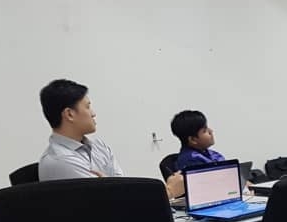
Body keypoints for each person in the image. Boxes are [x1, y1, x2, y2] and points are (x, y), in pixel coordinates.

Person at [38, 79, 184, 198]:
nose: (93, 113)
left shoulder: (98, 146)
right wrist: (169, 191)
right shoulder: (60, 161)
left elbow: (123, 187)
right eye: (87, 107)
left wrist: (112, 187)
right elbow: (115, 202)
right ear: (69, 114)